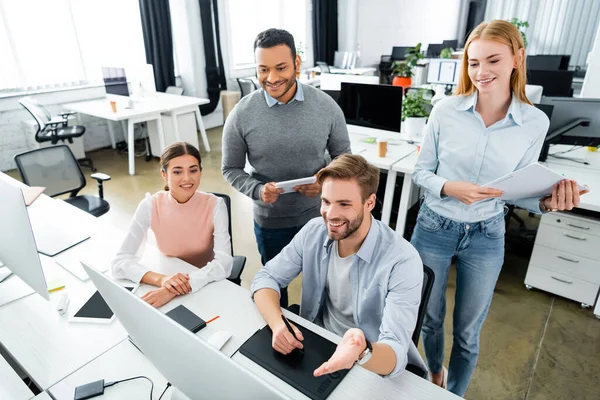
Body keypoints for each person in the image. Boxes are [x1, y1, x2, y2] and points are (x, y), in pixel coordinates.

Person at [411, 20, 588, 396]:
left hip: (487, 235)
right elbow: (421, 172)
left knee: (468, 331)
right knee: (429, 317)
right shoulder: (445, 111)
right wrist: (449, 187)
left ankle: (454, 392)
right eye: (473, 63)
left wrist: (544, 201)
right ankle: (433, 377)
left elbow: (511, 192)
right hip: (433, 227)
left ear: (517, 58)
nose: (481, 71)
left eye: (492, 60)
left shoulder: (534, 122)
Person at [251, 154, 427, 377]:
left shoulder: (402, 260)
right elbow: (266, 277)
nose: (330, 215)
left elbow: (396, 352)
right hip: (317, 342)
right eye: (326, 202)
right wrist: (278, 325)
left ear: (369, 202)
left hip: (370, 361)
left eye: (344, 204)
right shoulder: (314, 231)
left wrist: (360, 351)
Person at [222, 28, 351, 307]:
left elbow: (344, 156)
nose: (272, 78)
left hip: (320, 217)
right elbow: (230, 168)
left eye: (280, 67)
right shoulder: (241, 114)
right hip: (271, 221)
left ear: (296, 63)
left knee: (325, 283)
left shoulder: (326, 106)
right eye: (263, 69)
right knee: (275, 285)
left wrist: (325, 183)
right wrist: (257, 190)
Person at [112, 142, 233, 308]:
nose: (187, 178)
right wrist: (162, 280)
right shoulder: (150, 205)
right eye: (177, 171)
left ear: (200, 172)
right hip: (167, 276)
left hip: (206, 282)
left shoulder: (215, 205)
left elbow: (224, 263)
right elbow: (119, 263)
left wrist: (174, 289)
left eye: (193, 170)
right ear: (164, 175)